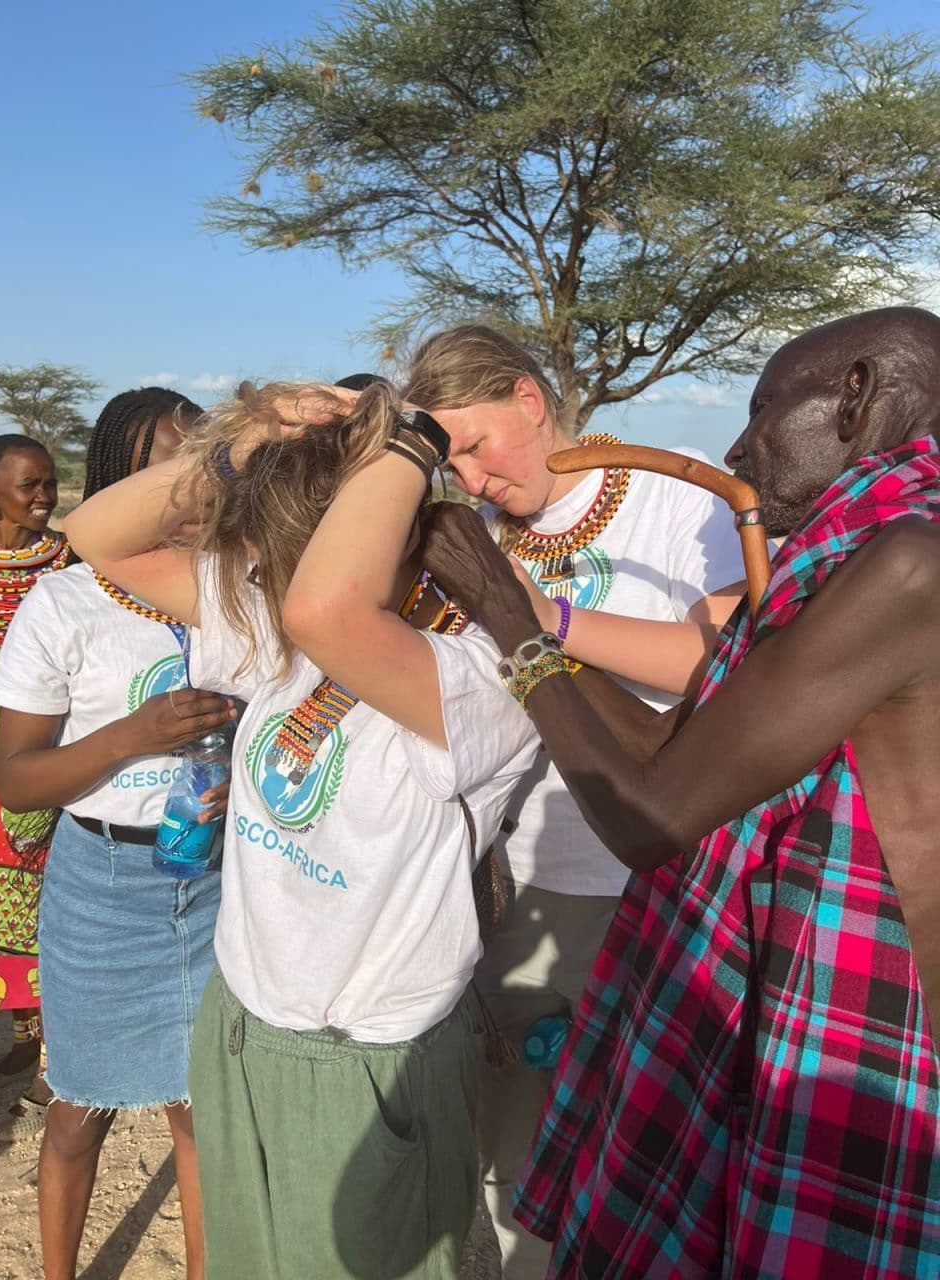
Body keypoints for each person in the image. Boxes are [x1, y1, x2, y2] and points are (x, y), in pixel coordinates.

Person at [421, 305, 940, 1278]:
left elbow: (652, 817)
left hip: (865, 1042)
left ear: (858, 398)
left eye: (764, 410)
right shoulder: (853, 554)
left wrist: (508, 611)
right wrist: (522, 619)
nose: (739, 450)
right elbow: (680, 743)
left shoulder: (908, 561)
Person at [63, 378, 540, 1280]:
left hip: (361, 1058)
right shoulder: (276, 630)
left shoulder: (475, 673)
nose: (255, 553)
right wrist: (242, 443)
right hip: (242, 1015)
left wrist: (411, 442)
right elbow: (97, 537)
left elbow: (327, 607)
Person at [402, 324, 745, 1273]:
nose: (469, 478)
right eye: (448, 460)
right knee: (516, 1146)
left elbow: (714, 658)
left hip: (659, 871)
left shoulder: (677, 494)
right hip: (528, 875)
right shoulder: (479, 528)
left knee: (658, 1145)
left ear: (529, 397)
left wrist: (538, 616)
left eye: (474, 444)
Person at [0, 388, 234, 1280]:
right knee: (76, 1111)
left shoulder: (232, 588)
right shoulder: (63, 602)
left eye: (204, 459)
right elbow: (17, 779)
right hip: (102, 885)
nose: (190, 481)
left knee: (202, 1112)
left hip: (215, 881)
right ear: (121, 475)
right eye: (169, 461)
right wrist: (136, 735)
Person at [0, 434, 68, 1108]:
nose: (42, 498)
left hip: (51, 757)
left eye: (48, 485)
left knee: (51, 909)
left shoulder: (74, 563)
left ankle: (55, 1058)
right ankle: (18, 1038)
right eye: (27, 486)